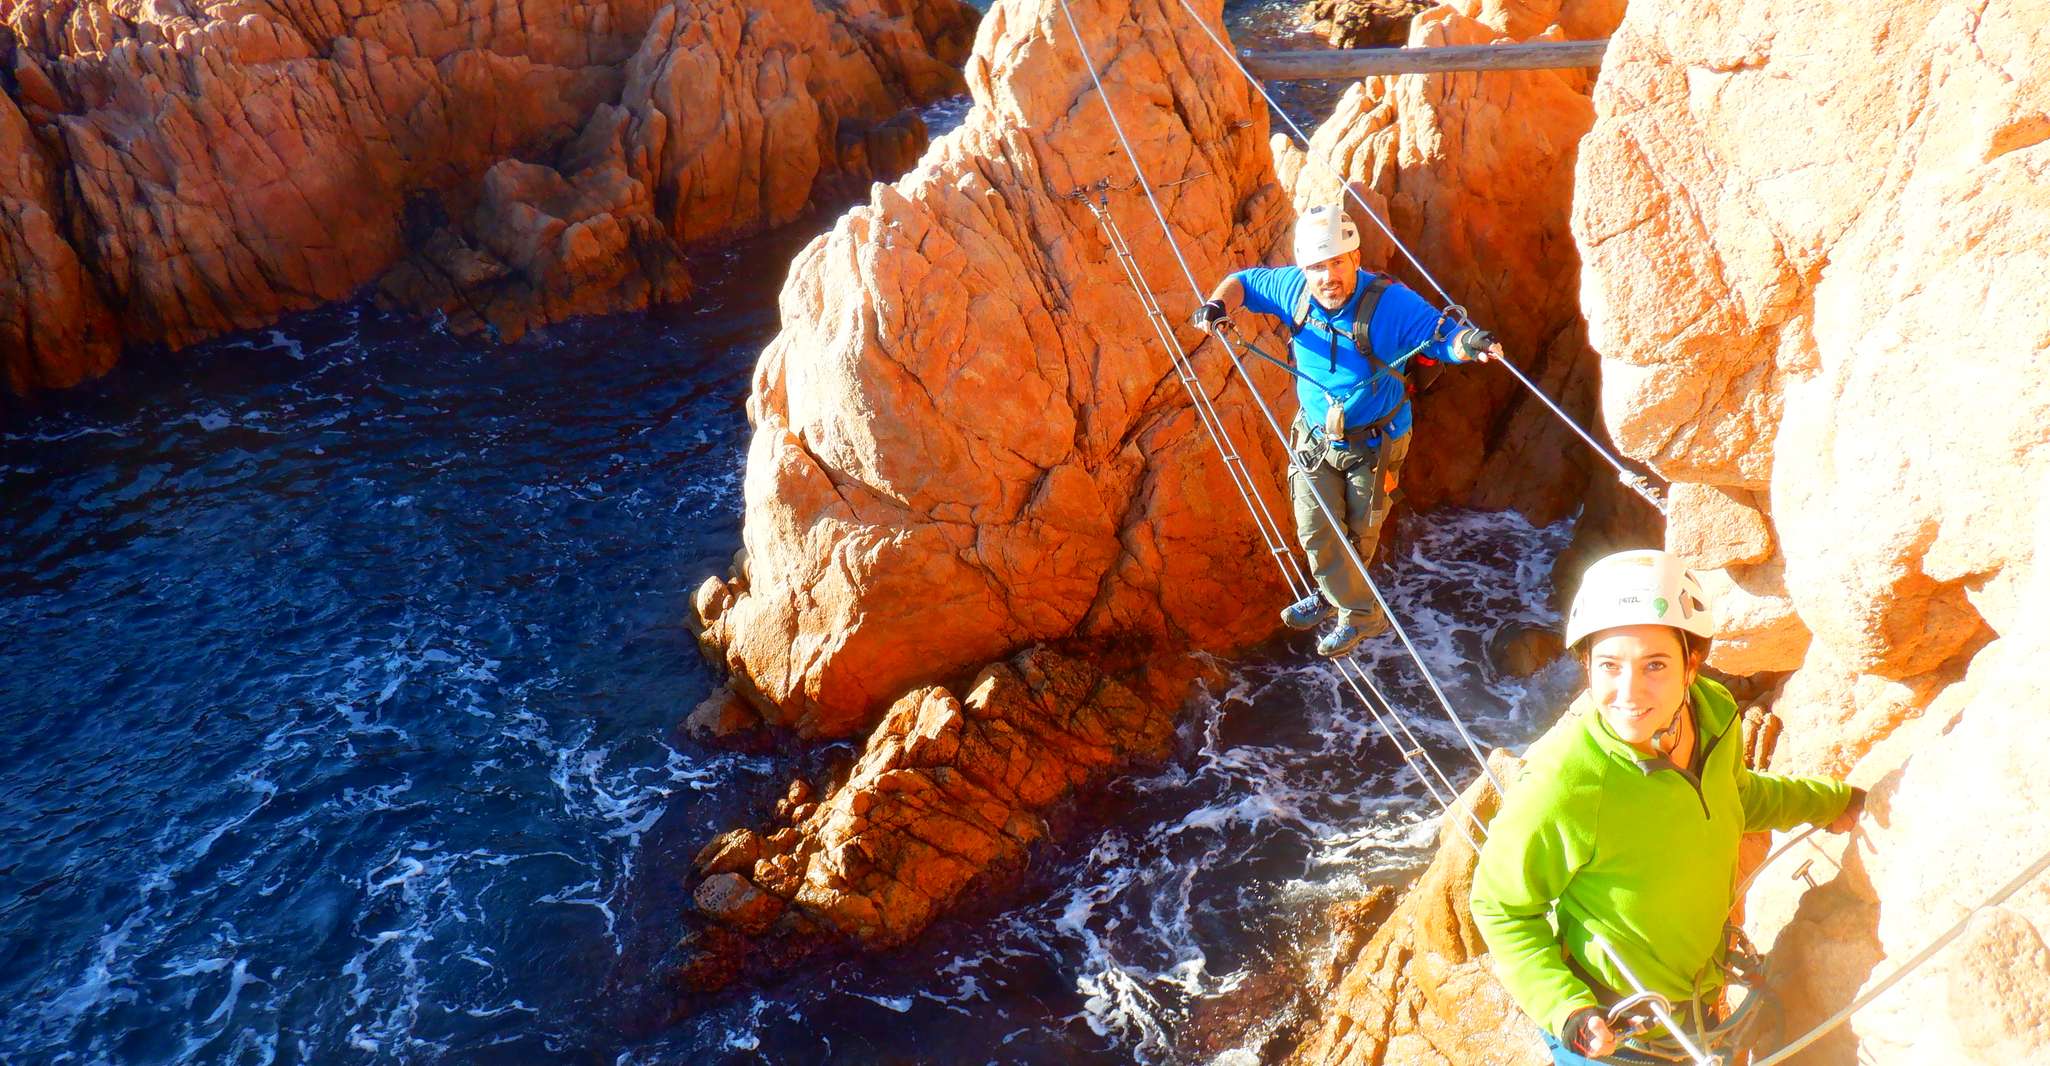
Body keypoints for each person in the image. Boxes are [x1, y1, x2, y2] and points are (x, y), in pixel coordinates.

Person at [1469, 549, 1865, 1064]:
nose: (1629, 692)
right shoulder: (1564, 781)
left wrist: (1832, 802)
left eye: (1655, 665)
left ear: (1691, 665)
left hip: (1699, 1009)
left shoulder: (1715, 715)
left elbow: (1737, 798)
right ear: (1587, 665)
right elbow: (1500, 907)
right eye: (1609, 666)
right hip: (1614, 1031)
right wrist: (1566, 1008)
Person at [1189, 204, 1500, 658]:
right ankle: (1354, 609)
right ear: (1304, 268)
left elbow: (1442, 335)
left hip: (1375, 443)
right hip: (1316, 436)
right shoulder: (1294, 290)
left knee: (1360, 533)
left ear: (1356, 258)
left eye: (1337, 262)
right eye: (1317, 266)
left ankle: (1348, 605)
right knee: (1315, 530)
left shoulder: (1389, 303)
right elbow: (1244, 282)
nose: (1327, 276)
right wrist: (1218, 303)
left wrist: (1470, 344)